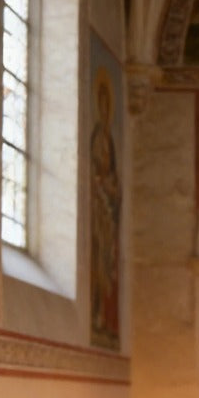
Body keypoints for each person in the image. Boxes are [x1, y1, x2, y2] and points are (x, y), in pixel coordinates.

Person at [90, 77, 121, 343]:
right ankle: (98, 312)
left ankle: (102, 314)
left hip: (107, 211)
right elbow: (95, 173)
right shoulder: (97, 137)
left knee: (107, 264)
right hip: (100, 209)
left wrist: (112, 189)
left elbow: (112, 178)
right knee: (100, 261)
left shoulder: (109, 140)